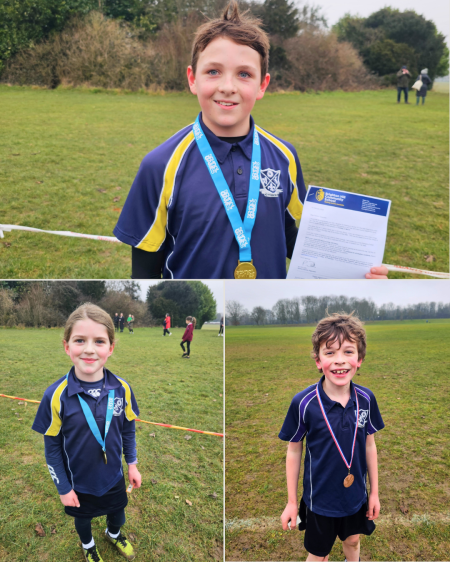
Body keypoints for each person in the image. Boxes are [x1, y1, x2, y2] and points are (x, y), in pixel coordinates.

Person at [31, 303, 141, 562]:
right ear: (67, 346)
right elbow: (53, 449)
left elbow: (128, 429)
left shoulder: (122, 388)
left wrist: (132, 465)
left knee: (119, 514)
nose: (90, 349)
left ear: (111, 348)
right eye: (80, 340)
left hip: (113, 476)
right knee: (83, 520)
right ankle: (89, 546)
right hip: (78, 482)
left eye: (99, 341)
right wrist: (63, 487)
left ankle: (113, 534)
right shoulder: (55, 395)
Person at [279, 313, 384, 561]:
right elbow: (294, 451)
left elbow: (370, 445)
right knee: (319, 554)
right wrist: (292, 502)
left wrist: (375, 493)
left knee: (353, 540)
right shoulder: (303, 403)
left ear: (359, 360)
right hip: (320, 500)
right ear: (318, 361)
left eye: (348, 352)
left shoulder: (366, 399)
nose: (340, 361)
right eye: (330, 353)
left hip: (355, 496)